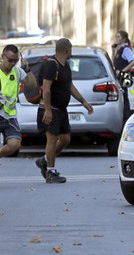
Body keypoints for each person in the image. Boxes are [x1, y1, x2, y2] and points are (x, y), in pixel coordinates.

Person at [35, 38, 93, 184]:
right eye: (71, 49)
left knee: (65, 138)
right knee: (52, 139)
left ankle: (44, 160)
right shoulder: (51, 65)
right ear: (67, 49)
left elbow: (70, 86)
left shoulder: (65, 65)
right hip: (50, 109)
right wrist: (47, 110)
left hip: (61, 110)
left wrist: (83, 102)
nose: (71, 52)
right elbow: (46, 88)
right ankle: (51, 171)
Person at [0, 44, 37, 188]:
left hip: (10, 115)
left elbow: (33, 84)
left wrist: (27, 69)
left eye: (15, 60)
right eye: (10, 60)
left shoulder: (18, 71)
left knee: (14, 144)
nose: (12, 63)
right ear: (3, 57)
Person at [112, 30, 134, 120]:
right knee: (122, 96)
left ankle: (126, 117)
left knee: (124, 97)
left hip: (124, 75)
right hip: (119, 75)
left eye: (118, 37)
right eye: (116, 37)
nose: (116, 39)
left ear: (124, 39)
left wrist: (123, 70)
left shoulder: (126, 49)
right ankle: (124, 116)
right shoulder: (118, 49)